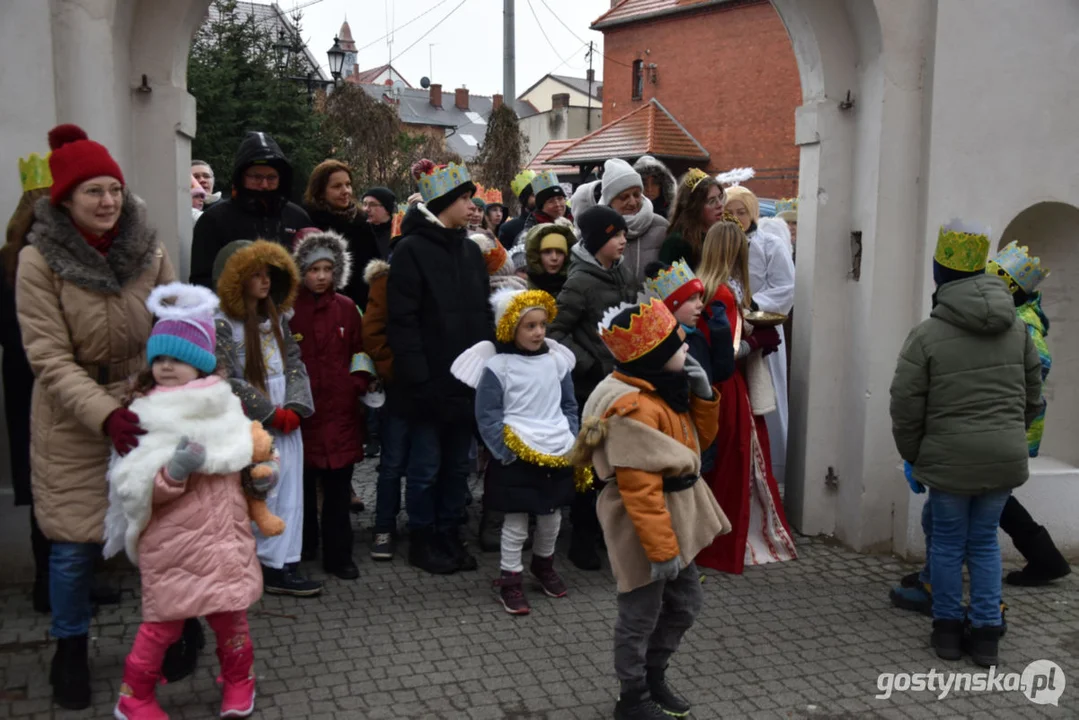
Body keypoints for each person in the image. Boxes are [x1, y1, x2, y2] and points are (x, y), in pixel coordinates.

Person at [15, 124, 175, 709]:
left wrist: (169, 387)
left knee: (162, 531)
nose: (107, 202)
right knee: (73, 546)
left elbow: (175, 323)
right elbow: (47, 357)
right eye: (92, 192)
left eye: (113, 189)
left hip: (145, 401)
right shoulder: (39, 261)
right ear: (65, 200)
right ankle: (70, 649)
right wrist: (105, 413)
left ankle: (179, 629)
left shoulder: (149, 249)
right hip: (71, 417)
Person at [105, 283, 264, 719]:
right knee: (160, 627)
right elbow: (133, 488)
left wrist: (261, 481)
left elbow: (249, 461)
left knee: (231, 622)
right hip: (173, 545)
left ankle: (239, 683)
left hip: (223, 539)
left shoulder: (226, 406)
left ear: (200, 363)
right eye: (159, 358)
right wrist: (173, 473)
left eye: (177, 358)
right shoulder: (145, 415)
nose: (166, 366)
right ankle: (133, 696)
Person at [889, 221, 1041, 667]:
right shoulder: (1018, 330)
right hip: (1002, 457)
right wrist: (1010, 432)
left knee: (949, 545)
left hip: (949, 459)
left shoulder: (927, 335)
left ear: (940, 273)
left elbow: (905, 405)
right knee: (985, 543)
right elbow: (1033, 397)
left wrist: (913, 454)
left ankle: (949, 632)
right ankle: (988, 634)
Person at [571, 297, 730, 720]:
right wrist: (661, 552)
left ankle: (654, 674)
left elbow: (698, 443)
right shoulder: (632, 409)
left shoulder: (661, 389)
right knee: (639, 614)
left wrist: (701, 396)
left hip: (673, 515)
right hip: (645, 525)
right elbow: (641, 489)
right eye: (679, 346)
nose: (687, 351)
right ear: (655, 357)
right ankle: (633, 696)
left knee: (685, 603)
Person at [387, 162, 494, 574]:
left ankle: (450, 532)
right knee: (426, 467)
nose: (472, 206)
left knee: (456, 467)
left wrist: (486, 362)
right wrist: (420, 379)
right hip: (427, 385)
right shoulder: (411, 250)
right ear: (444, 202)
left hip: (467, 384)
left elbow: (483, 313)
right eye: (465, 199)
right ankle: (423, 538)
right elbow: (403, 321)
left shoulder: (470, 250)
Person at [451, 289, 579, 614]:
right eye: (529, 326)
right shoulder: (498, 366)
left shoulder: (556, 361)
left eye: (542, 325)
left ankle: (543, 565)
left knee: (552, 518)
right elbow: (487, 414)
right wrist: (503, 452)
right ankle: (510, 579)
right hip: (516, 452)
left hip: (556, 449)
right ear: (510, 328)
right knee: (516, 523)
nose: (538, 332)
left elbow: (568, 404)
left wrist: (571, 437)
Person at [212, 239, 320, 597]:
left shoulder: (277, 318)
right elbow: (227, 378)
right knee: (261, 488)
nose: (265, 282)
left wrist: (295, 405)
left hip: (285, 412)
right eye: (255, 275)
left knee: (289, 487)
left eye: (268, 275)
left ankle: (285, 558)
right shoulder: (223, 324)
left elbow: (293, 362)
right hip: (253, 420)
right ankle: (261, 563)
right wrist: (269, 413)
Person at [694, 221, 797, 575]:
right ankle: (729, 541)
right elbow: (723, 350)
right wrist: (756, 342)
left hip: (711, 387)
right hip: (729, 387)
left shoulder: (701, 287)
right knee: (736, 464)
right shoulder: (722, 293)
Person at [548, 206, 639, 571]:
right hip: (591, 389)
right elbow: (555, 332)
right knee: (589, 466)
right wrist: (590, 363)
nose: (622, 240)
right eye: (615, 234)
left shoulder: (623, 273)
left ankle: (607, 533)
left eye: (623, 234)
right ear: (599, 239)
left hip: (623, 384)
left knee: (615, 466)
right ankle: (582, 540)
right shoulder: (579, 282)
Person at [291, 228, 372, 580]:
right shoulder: (287, 311)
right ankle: (304, 543)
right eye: (313, 270)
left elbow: (361, 350)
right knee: (303, 486)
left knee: (339, 488)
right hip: (303, 412)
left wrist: (358, 382)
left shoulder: (346, 309)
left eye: (327, 269)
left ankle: (339, 554)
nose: (321, 276)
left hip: (341, 411)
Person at [3, 152, 52, 614]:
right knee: (44, 481)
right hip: (33, 377)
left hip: (32, 373)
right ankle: (47, 584)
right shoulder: (15, 261)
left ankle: (62, 581)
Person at [725, 185, 795, 486]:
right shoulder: (722, 243)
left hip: (762, 328)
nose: (737, 217)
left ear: (752, 213)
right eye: (731, 212)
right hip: (729, 328)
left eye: (742, 212)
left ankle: (773, 467)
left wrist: (752, 307)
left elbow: (785, 287)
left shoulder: (769, 245)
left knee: (767, 394)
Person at [643, 259, 735, 475]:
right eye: (691, 299)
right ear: (671, 305)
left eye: (700, 298)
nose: (700, 305)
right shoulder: (664, 349)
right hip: (681, 443)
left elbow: (721, 373)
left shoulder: (696, 337)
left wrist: (721, 335)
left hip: (702, 439)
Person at [189, 132, 312, 288]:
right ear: (241, 177)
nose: (264, 184)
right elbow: (202, 281)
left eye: (272, 177)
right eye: (256, 177)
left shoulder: (297, 217)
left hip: (291, 310)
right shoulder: (214, 220)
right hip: (232, 310)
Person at [302, 159, 378, 309]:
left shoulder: (361, 221)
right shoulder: (310, 221)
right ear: (321, 191)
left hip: (362, 305)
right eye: (337, 186)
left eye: (348, 184)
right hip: (322, 306)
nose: (346, 191)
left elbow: (372, 264)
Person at [599, 159, 668, 282]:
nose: (632, 202)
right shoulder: (597, 230)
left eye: (636, 195)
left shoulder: (661, 226)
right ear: (610, 200)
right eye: (624, 197)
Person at [659, 168, 725, 269]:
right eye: (711, 201)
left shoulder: (723, 234)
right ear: (694, 206)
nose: (720, 205)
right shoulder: (677, 243)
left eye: (720, 197)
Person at [516, 170, 571, 245]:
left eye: (560, 198)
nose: (558, 204)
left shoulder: (577, 223)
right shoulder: (529, 235)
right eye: (551, 201)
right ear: (541, 207)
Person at [524, 223, 576, 297]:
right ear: (536, 256)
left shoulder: (577, 289)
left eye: (560, 252)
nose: (554, 258)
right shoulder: (523, 292)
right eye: (547, 252)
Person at [498, 169, 537, 249]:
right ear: (524, 199)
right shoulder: (508, 229)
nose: (538, 198)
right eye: (533, 195)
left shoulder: (551, 222)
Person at [634, 155, 677, 220]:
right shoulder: (626, 212)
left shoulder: (673, 214)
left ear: (662, 185)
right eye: (644, 183)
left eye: (655, 183)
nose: (649, 189)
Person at [362, 187, 397, 260]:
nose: (366, 209)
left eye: (372, 205)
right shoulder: (360, 232)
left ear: (387, 209)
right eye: (364, 204)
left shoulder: (398, 234)